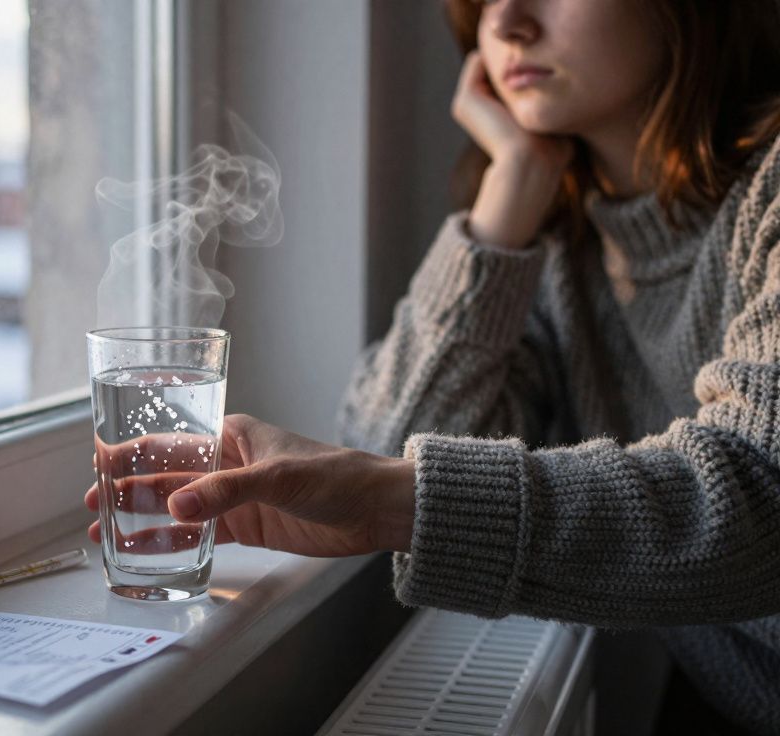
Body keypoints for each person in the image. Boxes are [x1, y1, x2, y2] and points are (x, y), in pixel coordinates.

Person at [85, 0, 780, 732]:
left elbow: (763, 492)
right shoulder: (559, 251)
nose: (507, 22)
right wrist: (509, 188)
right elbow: (395, 442)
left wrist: (390, 499)